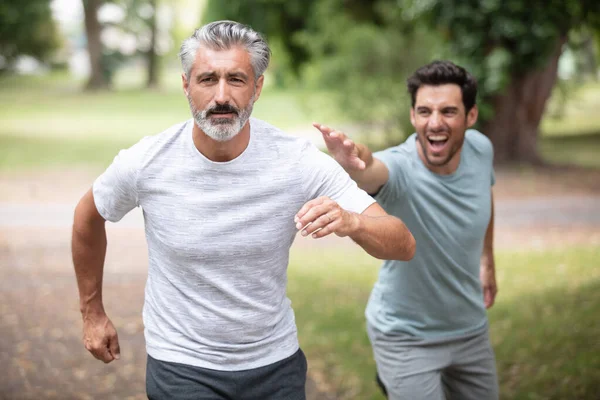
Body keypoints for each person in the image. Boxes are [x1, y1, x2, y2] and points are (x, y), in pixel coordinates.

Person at [71, 20, 415, 400]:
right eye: (207, 80)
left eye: (236, 79)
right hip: (182, 364)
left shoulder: (296, 161)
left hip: (274, 364)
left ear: (258, 86)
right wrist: (92, 312)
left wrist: (354, 222)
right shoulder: (148, 162)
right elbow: (88, 217)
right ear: (186, 85)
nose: (222, 96)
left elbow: (403, 244)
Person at [314, 60, 498, 399]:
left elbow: (485, 197)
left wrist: (488, 259)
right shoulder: (399, 166)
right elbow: (371, 169)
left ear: (470, 117)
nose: (435, 123)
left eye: (449, 112)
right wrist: (358, 159)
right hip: (405, 336)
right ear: (413, 116)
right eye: (424, 111)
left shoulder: (481, 149)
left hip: (470, 330)